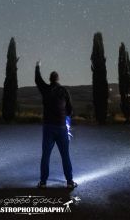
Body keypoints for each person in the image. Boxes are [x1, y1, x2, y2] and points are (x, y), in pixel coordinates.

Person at [35, 60, 76, 189]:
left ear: (50, 79)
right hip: (61, 127)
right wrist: (65, 116)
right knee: (65, 155)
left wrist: (37, 66)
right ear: (58, 79)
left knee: (45, 155)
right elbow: (70, 110)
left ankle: (43, 182)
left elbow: (37, 80)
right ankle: (69, 181)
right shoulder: (64, 91)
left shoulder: (45, 89)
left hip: (48, 127)